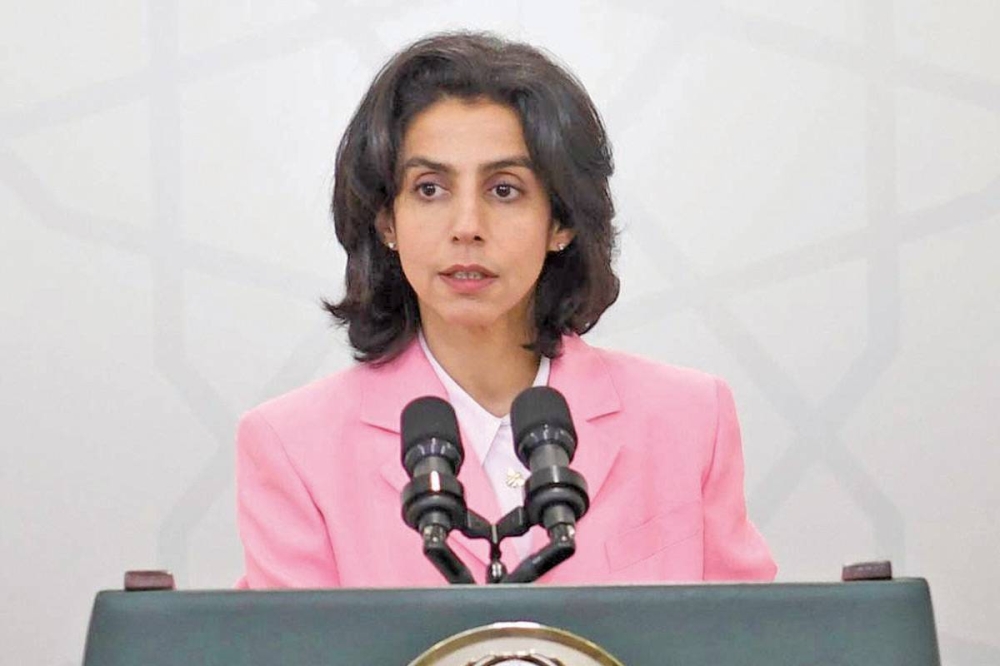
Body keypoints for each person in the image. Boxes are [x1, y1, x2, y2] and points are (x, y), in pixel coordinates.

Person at [235, 31, 776, 588]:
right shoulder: (292, 446)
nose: (467, 226)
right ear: (386, 221)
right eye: (429, 188)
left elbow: (746, 628)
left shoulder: (688, 419)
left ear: (561, 221)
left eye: (504, 190)